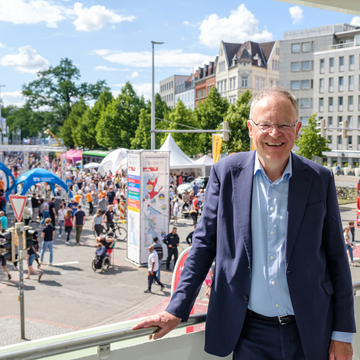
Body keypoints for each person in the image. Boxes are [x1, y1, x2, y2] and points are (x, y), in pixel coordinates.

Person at [132, 86, 355, 360]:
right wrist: (176, 308)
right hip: (248, 333)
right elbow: (203, 246)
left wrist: (342, 333)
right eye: (266, 125)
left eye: (284, 125)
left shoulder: (320, 178)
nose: (275, 133)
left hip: (310, 329)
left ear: (297, 130)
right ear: (251, 129)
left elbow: (336, 258)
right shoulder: (225, 173)